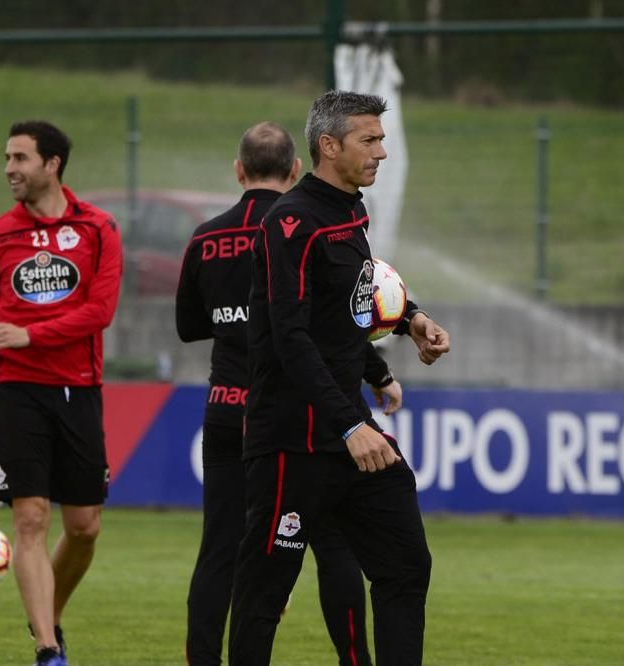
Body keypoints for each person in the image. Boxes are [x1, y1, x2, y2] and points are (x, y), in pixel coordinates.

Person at [227, 91, 450, 665]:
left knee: (405, 565)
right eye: (369, 140)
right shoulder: (290, 222)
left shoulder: (351, 210)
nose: (382, 151)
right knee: (264, 592)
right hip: (290, 441)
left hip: (347, 434)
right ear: (329, 146)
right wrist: (353, 424)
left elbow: (361, 291)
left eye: (381, 138)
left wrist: (413, 319)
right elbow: (289, 336)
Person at [176, 122, 404, 665]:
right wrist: (375, 372)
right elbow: (325, 323)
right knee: (333, 548)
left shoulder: (207, 236)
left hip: (228, 408)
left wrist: (236, 321)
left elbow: (189, 326)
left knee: (222, 551)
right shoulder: (305, 227)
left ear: (239, 171)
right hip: (293, 417)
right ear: (297, 169)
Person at [0, 120, 122, 666]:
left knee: (84, 527)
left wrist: (30, 333)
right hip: (14, 390)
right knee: (30, 518)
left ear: (52, 164)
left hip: (79, 389)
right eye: (7, 158)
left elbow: (99, 312)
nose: (9, 168)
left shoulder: (99, 229)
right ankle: (49, 651)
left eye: (20, 158)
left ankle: (47, 614)